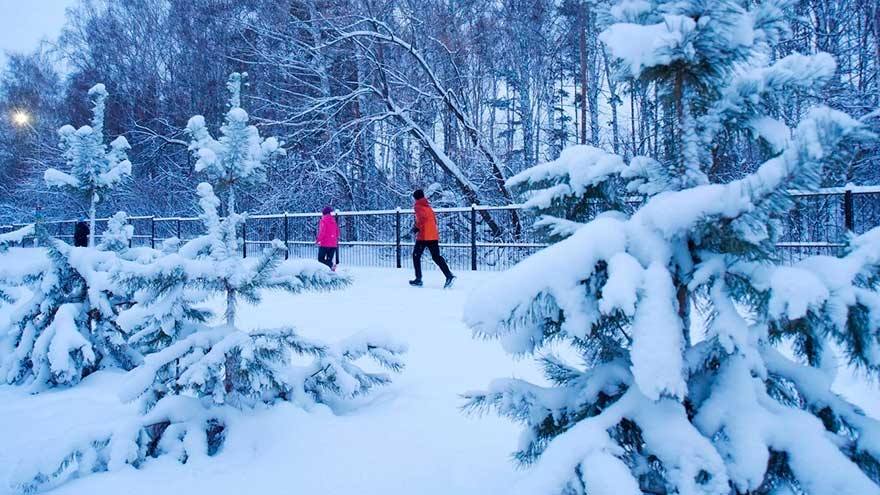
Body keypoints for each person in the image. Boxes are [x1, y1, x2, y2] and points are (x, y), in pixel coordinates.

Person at [409, 189, 455, 288]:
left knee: (416, 256)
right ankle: (449, 275)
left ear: (415, 198)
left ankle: (418, 279)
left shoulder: (418, 206)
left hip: (424, 235)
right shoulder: (428, 206)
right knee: (436, 257)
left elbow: (421, 219)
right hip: (433, 235)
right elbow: (434, 220)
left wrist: (416, 228)